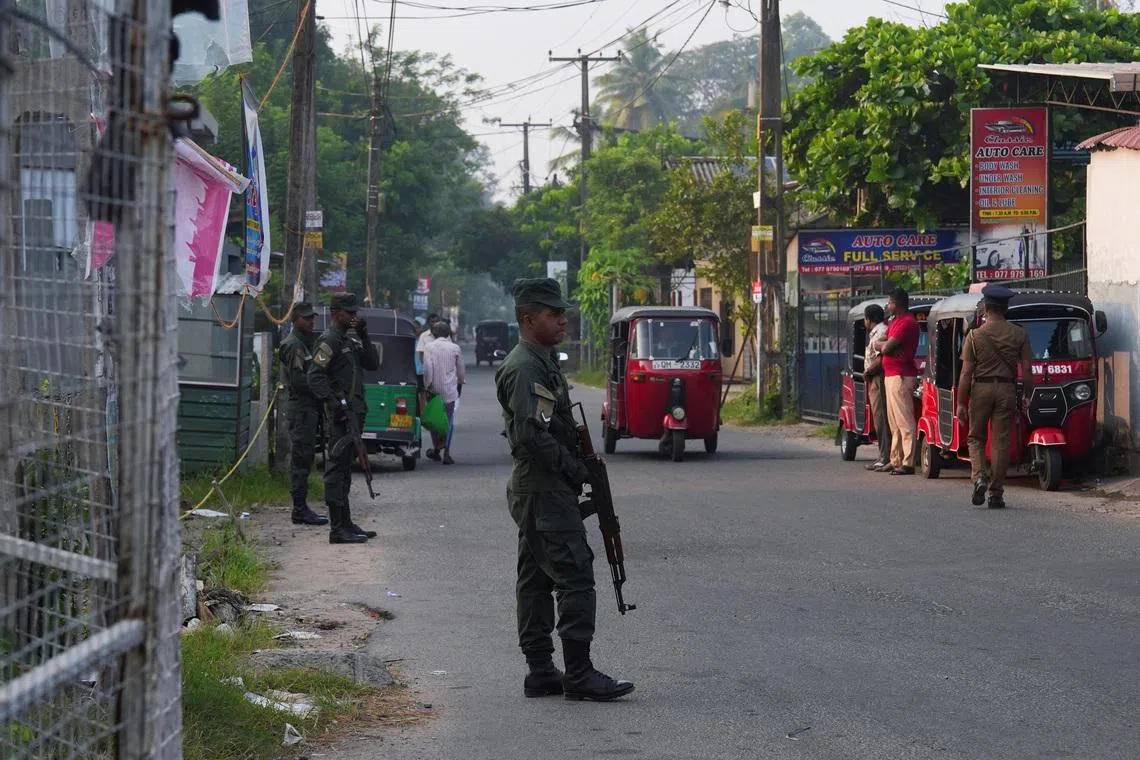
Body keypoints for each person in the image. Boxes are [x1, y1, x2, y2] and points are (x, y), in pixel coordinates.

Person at [494, 277, 634, 702]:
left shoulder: (543, 361)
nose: (562, 319)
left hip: (543, 488)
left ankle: (541, 672)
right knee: (574, 575)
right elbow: (530, 437)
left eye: (562, 313)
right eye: (554, 314)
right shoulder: (525, 367)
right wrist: (576, 471)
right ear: (528, 317)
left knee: (536, 579)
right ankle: (579, 674)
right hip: (544, 489)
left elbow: (553, 425)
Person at [308, 294, 382, 545]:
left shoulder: (347, 340)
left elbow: (373, 363)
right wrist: (333, 403)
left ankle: (346, 523)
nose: (353, 317)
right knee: (336, 472)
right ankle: (337, 528)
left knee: (346, 471)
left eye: (355, 313)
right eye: (349, 313)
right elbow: (315, 377)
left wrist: (364, 335)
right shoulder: (329, 341)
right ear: (336, 312)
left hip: (354, 413)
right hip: (342, 416)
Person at [955, 284, 1034, 509]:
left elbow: (966, 373)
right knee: (1001, 441)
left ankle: (979, 477)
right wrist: (1028, 396)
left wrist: (961, 403)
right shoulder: (1019, 333)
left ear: (986, 308)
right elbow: (1027, 370)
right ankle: (996, 493)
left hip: (981, 389)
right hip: (1007, 390)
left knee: (976, 438)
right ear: (1005, 308)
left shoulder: (974, 335)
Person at [278, 302, 329, 526]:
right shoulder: (294, 346)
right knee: (301, 459)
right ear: (295, 319)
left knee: (306, 458)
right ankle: (299, 509)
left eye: (312, 318)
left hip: (308, 409)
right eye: (307, 318)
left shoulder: (305, 343)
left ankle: (302, 506)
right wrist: (320, 386)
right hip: (301, 410)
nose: (311, 322)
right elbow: (298, 380)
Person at [873, 287, 920, 475]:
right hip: (891, 373)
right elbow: (879, 343)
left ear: (897, 304)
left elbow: (885, 347)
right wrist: (885, 345)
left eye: (890, 302)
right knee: (894, 421)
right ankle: (896, 459)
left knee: (904, 420)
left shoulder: (907, 322)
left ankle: (908, 461)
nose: (888, 305)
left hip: (901, 375)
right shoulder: (895, 322)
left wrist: (886, 346)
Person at [423, 320, 465, 465]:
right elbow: (461, 371)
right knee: (448, 421)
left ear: (433, 333)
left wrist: (427, 385)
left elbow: (428, 369)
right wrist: (460, 385)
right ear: (448, 333)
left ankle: (436, 449)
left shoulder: (429, 347)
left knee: (435, 420)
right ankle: (446, 452)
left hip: (434, 390)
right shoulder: (455, 348)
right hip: (450, 391)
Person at [862, 303, 892, 472]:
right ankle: (883, 454)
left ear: (869, 319)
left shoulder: (881, 332)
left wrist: (868, 371)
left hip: (878, 377)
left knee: (881, 417)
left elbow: (881, 360)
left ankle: (885, 456)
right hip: (873, 377)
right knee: (878, 416)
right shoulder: (876, 332)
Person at [415, 312, 440, 388]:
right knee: (423, 391)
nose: (434, 324)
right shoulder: (424, 336)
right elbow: (421, 354)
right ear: (429, 323)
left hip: (440, 370)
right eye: (432, 321)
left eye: (436, 321)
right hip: (425, 370)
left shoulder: (444, 334)